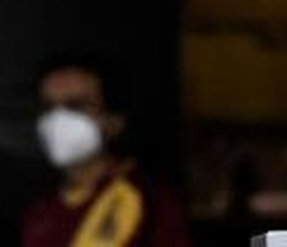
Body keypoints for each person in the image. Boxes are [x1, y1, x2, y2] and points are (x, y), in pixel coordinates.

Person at [22, 54, 191, 247]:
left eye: (75, 107)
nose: (57, 120)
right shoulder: (40, 211)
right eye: (47, 108)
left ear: (114, 122)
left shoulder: (150, 201)